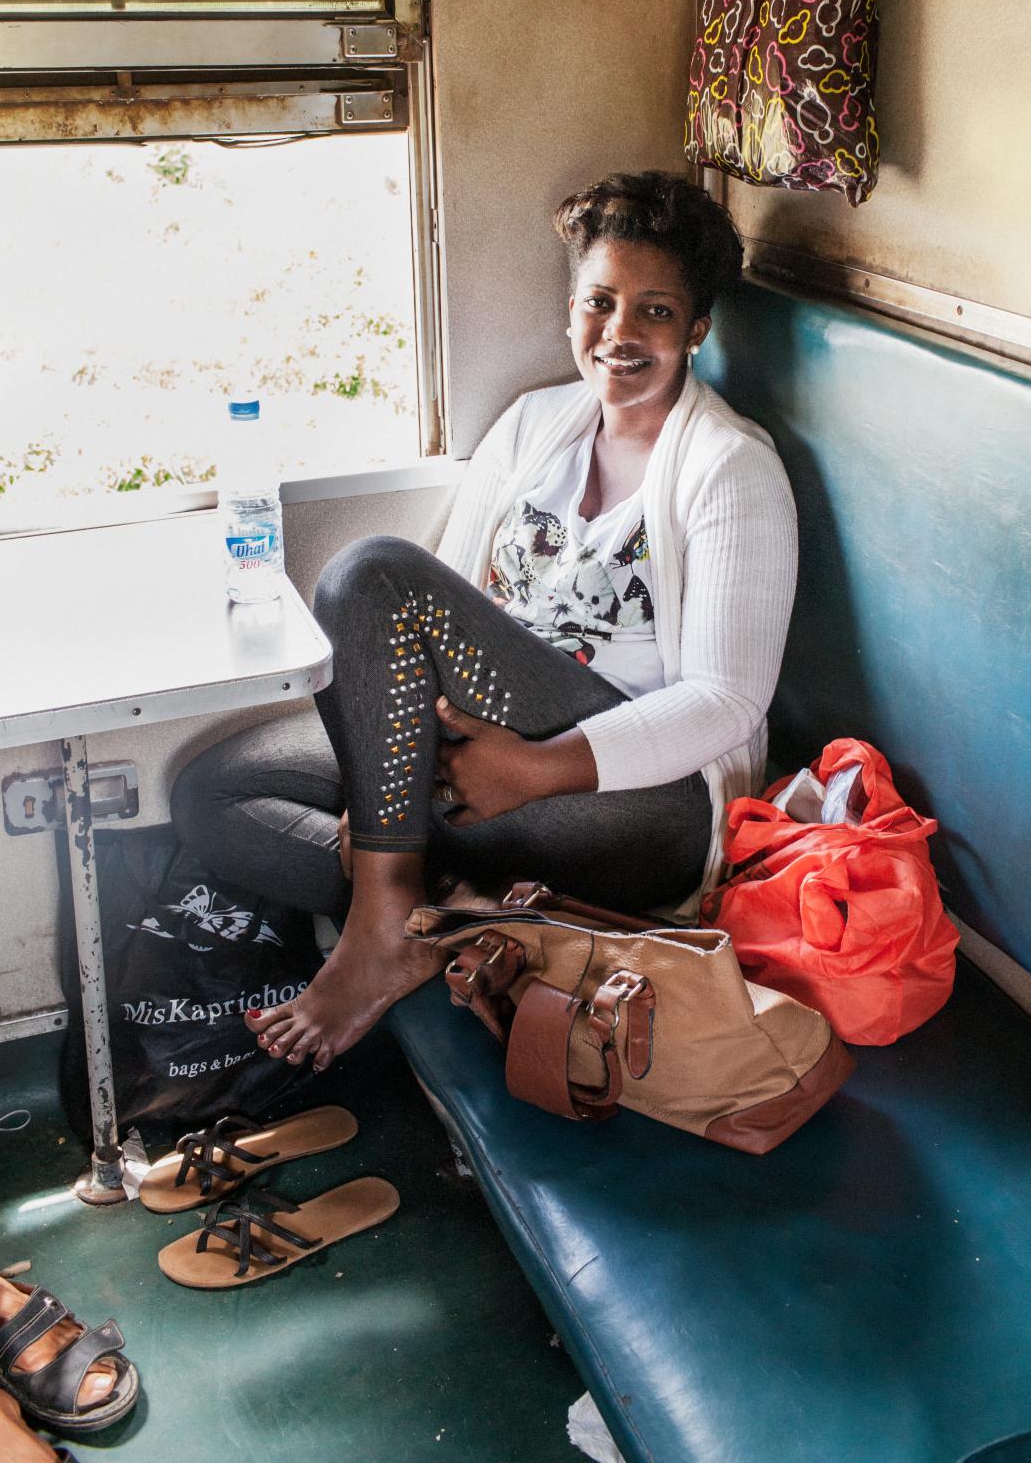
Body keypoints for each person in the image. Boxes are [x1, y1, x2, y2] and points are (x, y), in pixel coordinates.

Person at [171, 171, 798, 1072]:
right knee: (213, 792)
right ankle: (441, 913)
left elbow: (727, 701)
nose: (620, 334)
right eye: (600, 302)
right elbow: (450, 608)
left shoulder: (729, 468)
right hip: (483, 757)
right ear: (571, 305)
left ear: (696, 327)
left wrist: (533, 770)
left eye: (656, 311)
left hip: (641, 803)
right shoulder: (533, 425)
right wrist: (388, 777)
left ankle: (385, 912)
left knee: (369, 573)